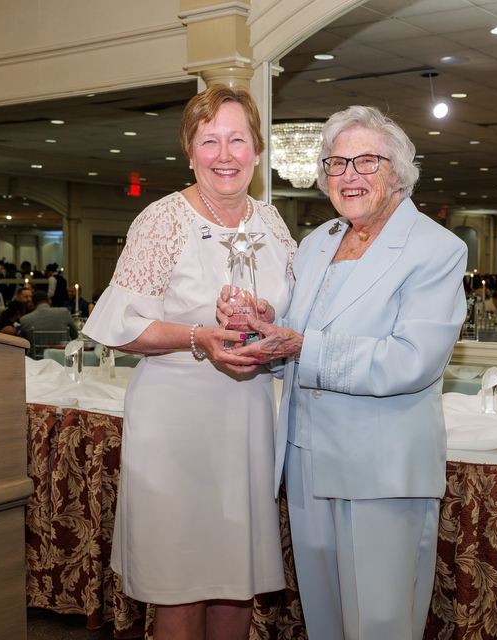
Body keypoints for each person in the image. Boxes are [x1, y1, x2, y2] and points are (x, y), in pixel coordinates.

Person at [218, 105, 467, 640]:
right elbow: (299, 335)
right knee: (325, 618)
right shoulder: (318, 242)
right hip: (306, 458)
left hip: (379, 465)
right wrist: (264, 326)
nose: (349, 175)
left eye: (366, 161)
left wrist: (301, 345)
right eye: (336, 162)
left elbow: (412, 359)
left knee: (380, 622)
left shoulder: (436, 248)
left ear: (398, 172)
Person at [80, 83, 296, 640]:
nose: (225, 154)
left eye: (237, 139)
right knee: (180, 578)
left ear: (257, 150)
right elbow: (120, 327)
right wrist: (200, 336)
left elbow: (298, 314)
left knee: (236, 576)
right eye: (209, 141)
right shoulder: (162, 220)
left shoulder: (272, 224)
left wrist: (267, 316)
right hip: (176, 423)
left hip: (247, 418)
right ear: (190, 151)